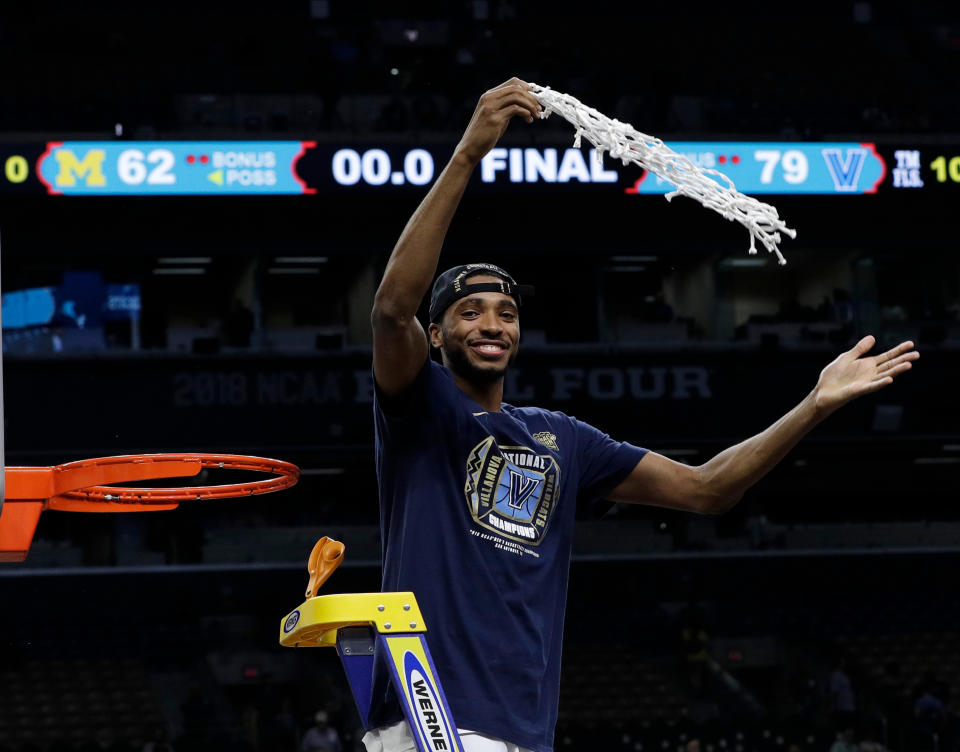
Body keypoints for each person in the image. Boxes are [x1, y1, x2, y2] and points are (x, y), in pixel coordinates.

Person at [365, 78, 919, 752]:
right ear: (439, 334)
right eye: (470, 312)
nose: (492, 324)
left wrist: (814, 404)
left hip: (521, 733)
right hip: (431, 718)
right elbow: (392, 308)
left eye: (507, 313)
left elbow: (708, 489)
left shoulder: (562, 440)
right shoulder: (421, 407)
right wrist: (466, 157)